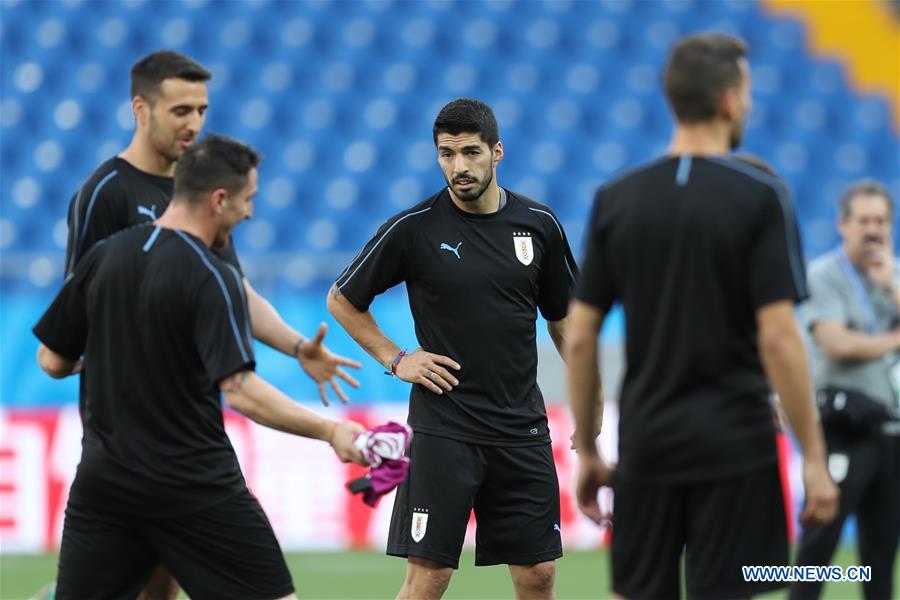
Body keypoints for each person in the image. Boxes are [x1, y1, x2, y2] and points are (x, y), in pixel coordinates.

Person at [565, 33, 840, 599]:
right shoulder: (761, 195)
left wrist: (590, 450)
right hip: (735, 444)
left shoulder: (617, 198)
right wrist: (812, 457)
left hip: (647, 442)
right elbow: (781, 340)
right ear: (729, 101)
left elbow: (580, 337)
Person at [34, 135, 367, 600]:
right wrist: (330, 431)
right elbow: (241, 389)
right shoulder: (211, 274)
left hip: (105, 488)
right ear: (219, 199)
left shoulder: (104, 256)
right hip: (192, 487)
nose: (249, 213)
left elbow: (51, 360)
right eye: (248, 200)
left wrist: (120, 355)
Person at [327, 98, 587, 599]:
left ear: (497, 152)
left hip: (521, 429)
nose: (458, 167)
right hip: (445, 430)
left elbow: (565, 324)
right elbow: (342, 299)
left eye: (470, 153)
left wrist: (589, 406)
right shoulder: (415, 227)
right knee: (430, 578)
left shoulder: (539, 224)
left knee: (539, 575)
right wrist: (396, 357)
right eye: (446, 154)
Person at [65, 49, 358, 409]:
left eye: (201, 110)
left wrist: (298, 348)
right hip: (127, 419)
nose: (194, 124)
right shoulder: (105, 192)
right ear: (141, 110)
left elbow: (236, 289)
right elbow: (76, 310)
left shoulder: (198, 188)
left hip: (193, 408)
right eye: (181, 111)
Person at [790, 180, 900, 600]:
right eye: (864, 220)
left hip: (890, 432)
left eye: (882, 221)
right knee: (817, 550)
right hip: (842, 431)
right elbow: (837, 343)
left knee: (881, 557)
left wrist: (890, 283)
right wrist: (894, 339)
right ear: (843, 224)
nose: (873, 230)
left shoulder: (892, 274)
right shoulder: (826, 274)